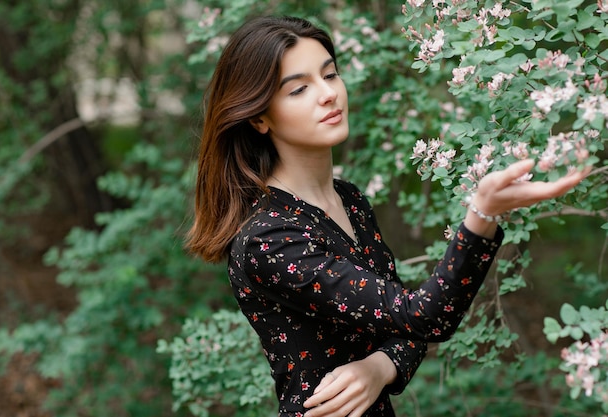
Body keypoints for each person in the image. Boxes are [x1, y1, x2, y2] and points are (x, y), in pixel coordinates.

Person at [187, 15, 588, 417]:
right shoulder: (268, 238)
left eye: (331, 75)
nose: (328, 94)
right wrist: (482, 214)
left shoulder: (349, 199)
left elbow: (405, 325)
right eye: (299, 89)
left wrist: (380, 367)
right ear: (259, 117)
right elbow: (423, 316)